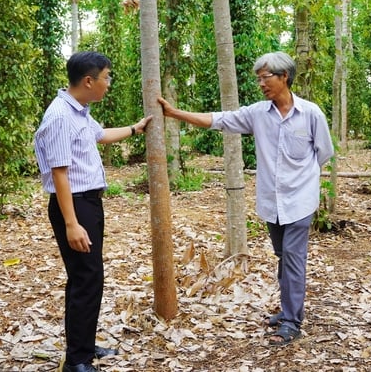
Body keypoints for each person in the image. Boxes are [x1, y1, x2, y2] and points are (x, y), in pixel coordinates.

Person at [158, 51, 334, 347]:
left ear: (284, 77)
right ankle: (291, 309)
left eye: (266, 77)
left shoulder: (311, 114)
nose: (261, 83)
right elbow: (219, 120)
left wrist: (303, 182)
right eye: (259, 78)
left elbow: (324, 153)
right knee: (283, 256)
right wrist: (175, 113)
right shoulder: (257, 114)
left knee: (292, 258)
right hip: (272, 203)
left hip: (300, 201)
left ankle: (292, 321)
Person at [34, 51, 152, 372]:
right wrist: (72, 223)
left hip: (88, 203)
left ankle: (83, 346)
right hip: (73, 204)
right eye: (106, 77)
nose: (108, 84)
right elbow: (60, 173)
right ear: (89, 80)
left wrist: (135, 128)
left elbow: (100, 136)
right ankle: (77, 361)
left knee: (85, 278)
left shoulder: (80, 112)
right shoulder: (60, 116)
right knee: (87, 279)